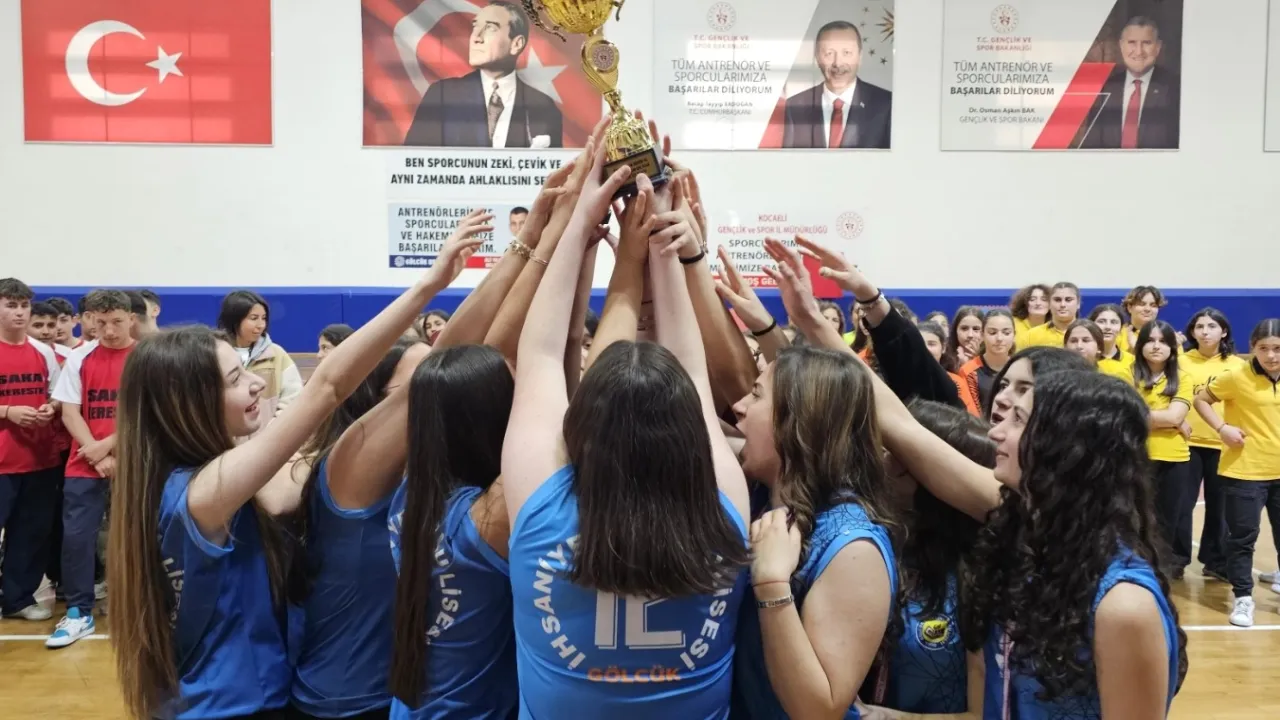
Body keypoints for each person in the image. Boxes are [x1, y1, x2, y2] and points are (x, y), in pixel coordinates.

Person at [768, 240, 1185, 718]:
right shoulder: (1022, 520)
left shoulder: (1124, 604)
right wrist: (812, 321)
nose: (996, 429)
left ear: (1068, 448)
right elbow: (899, 423)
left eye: (1018, 417)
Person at [105, 231, 482, 720]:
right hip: (232, 709)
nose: (255, 383)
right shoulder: (204, 492)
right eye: (235, 379)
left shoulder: (178, 485)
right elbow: (328, 387)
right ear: (187, 403)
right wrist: (427, 287)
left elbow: (290, 484)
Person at [504, 127, 750, 717]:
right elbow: (692, 366)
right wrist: (665, 236)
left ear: (582, 424)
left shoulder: (540, 512)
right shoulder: (725, 514)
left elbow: (539, 354)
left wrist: (577, 222)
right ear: (690, 432)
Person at [731, 318, 901, 717]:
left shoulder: (854, 546)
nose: (738, 406)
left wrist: (772, 585)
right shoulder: (762, 494)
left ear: (797, 421)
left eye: (756, 395)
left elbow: (817, 711)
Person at [47, 289, 137, 648]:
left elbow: (150, 413)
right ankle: (78, 613)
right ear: (89, 321)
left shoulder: (147, 357)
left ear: (131, 319)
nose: (109, 330)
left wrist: (109, 445)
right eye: (101, 323)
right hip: (85, 464)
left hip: (135, 462)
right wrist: (96, 453)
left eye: (117, 321)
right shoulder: (79, 357)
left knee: (138, 536)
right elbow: (70, 412)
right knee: (77, 538)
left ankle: (141, 607)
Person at [1192, 319, 1280, 627]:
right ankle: (1243, 597)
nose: (1271, 355)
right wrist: (1222, 428)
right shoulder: (1236, 376)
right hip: (1245, 471)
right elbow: (1201, 399)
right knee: (1242, 538)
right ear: (1252, 348)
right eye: (1263, 348)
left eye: (1277, 348)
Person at [403, 1, 563, 148]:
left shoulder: (544, 107)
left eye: (490, 28)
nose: (476, 38)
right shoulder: (442, 96)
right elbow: (411, 162)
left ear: (516, 44)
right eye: (475, 27)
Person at [0, 279, 62, 622]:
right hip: (2, 461)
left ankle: (18, 600)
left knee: (30, 533)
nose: (20, 312)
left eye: (24, 305)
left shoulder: (43, 352)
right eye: (11, 305)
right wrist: (8, 411)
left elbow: (57, 394)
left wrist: (51, 408)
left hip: (39, 459)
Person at [1180, 308, 1246, 581]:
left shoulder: (1238, 365)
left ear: (1224, 331)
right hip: (1185, 443)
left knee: (1221, 507)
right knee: (1181, 505)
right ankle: (1176, 559)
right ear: (1192, 332)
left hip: (1223, 445)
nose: (1205, 331)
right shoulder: (1180, 361)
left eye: (1211, 326)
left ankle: (1216, 560)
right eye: (1199, 327)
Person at [1132, 320, 1194, 579]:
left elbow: (1175, 416)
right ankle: (1136, 567)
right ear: (1140, 345)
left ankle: (1161, 570)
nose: (1156, 346)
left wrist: (1144, 415)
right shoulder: (1127, 374)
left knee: (1167, 519)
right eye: (1150, 340)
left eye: (1163, 341)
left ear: (1172, 347)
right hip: (1135, 457)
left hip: (1173, 458)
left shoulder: (1183, 378)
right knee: (1134, 516)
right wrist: (1166, 419)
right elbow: (1122, 413)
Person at [781, 21, 892, 149]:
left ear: (860, 56)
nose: (838, 63)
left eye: (847, 53)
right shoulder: (794, 106)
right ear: (817, 57)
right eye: (829, 53)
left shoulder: (886, 104)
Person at [1080, 16, 1181, 149]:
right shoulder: (1107, 88)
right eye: (1132, 42)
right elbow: (1090, 147)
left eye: (1146, 43)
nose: (1139, 51)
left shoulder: (1176, 89)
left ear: (1158, 47)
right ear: (1122, 46)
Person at [217, 290, 302, 433]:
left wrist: (273, 430)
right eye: (254, 318)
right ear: (234, 320)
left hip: (269, 440)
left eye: (263, 318)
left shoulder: (277, 354)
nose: (261, 325)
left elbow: (294, 397)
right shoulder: (216, 354)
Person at [958, 308, 1015, 413]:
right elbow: (971, 415)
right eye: (992, 333)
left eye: (1006, 333)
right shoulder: (968, 371)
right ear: (982, 335)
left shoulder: (1023, 368)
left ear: (1014, 335)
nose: (999, 338)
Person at [1020, 282, 1080, 348]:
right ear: (1049, 303)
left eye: (1068, 300)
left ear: (1078, 304)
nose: (1062, 304)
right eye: (1057, 300)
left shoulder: (1087, 333)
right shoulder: (1031, 336)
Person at [1088, 303, 1134, 380]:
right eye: (1102, 321)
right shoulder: (1085, 359)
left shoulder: (1132, 361)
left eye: (1114, 322)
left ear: (1121, 328)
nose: (1108, 327)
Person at [1120, 285, 1167, 353]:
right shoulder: (1117, 334)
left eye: (1153, 305)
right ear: (1129, 307)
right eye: (1142, 304)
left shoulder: (1167, 336)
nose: (1147, 309)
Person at [942, 306, 983, 373]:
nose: (970, 335)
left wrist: (976, 361)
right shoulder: (943, 356)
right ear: (956, 330)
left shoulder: (991, 357)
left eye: (976, 329)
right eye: (964, 328)